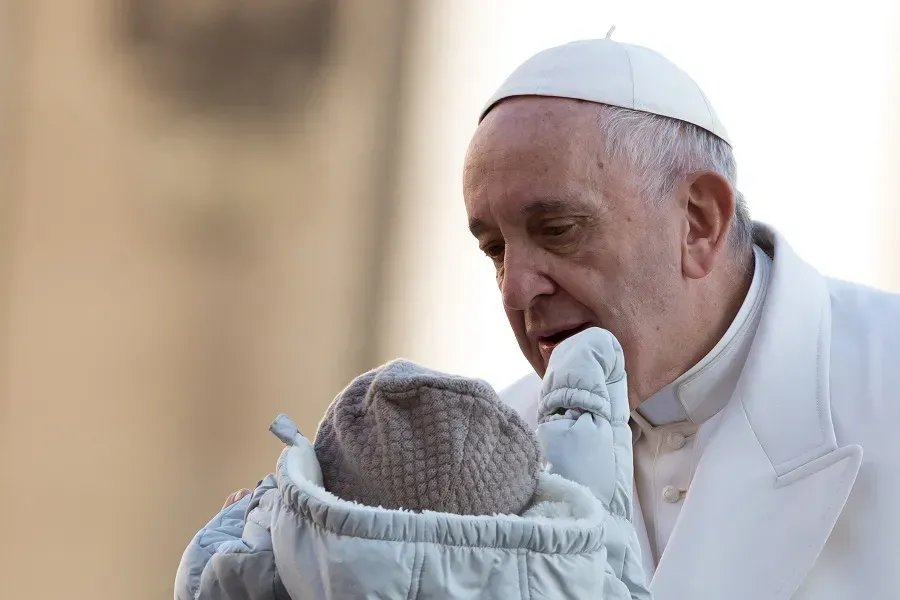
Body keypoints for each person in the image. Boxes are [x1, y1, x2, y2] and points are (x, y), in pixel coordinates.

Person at [467, 37, 900, 599]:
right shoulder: (496, 453)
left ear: (699, 221)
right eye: (496, 249)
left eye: (559, 230)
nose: (518, 289)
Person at [174, 329, 653, 599]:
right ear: (525, 513)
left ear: (325, 497)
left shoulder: (282, 573)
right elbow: (613, 557)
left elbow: (206, 582)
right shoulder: (574, 580)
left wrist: (257, 513)